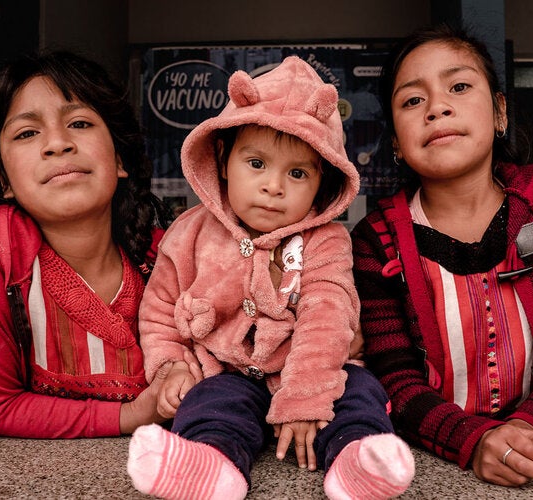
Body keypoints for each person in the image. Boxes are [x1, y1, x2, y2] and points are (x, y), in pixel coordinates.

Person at [126, 56, 415, 500]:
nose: (273, 186)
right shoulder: (189, 231)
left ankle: (357, 460)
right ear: (222, 161)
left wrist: (304, 396)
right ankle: (211, 464)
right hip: (225, 370)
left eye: (297, 173)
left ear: (324, 184)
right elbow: (160, 309)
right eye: (256, 163)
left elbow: (327, 316)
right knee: (211, 404)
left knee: (358, 392)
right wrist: (169, 370)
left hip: (307, 371)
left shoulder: (326, 240)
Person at [350, 24, 533, 487]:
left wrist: (530, 423)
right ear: (395, 142)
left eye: (459, 86)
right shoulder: (376, 239)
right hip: (431, 459)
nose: (437, 107)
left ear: (499, 112)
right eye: (413, 100)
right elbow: (393, 373)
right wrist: (471, 441)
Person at [0, 50, 201, 438]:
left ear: (119, 159)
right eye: (28, 133)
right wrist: (131, 416)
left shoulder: (174, 255)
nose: (57, 143)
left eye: (79, 123)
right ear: (5, 181)